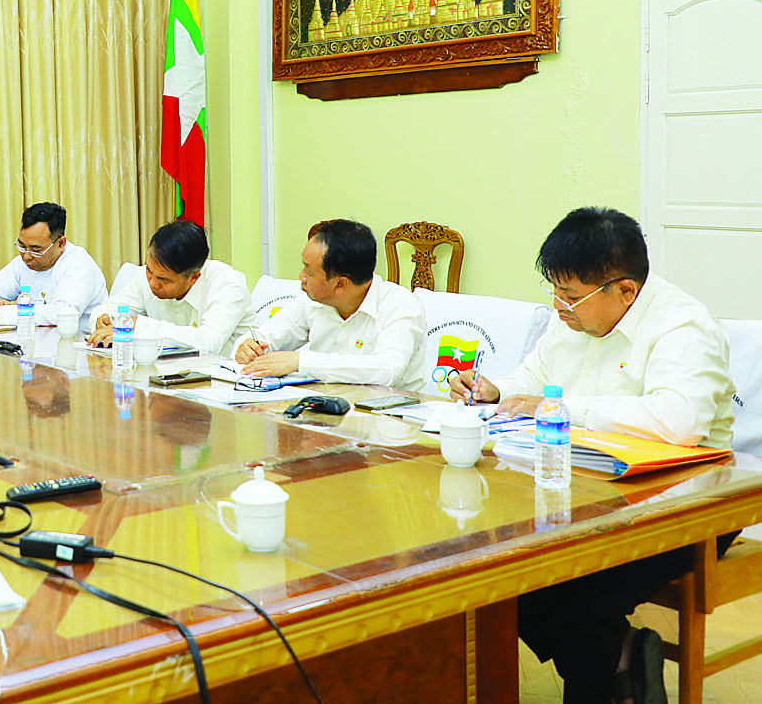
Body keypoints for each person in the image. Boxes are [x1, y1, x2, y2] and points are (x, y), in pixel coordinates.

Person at [450, 207, 735, 704]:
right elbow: (532, 379)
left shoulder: (683, 326)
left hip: (685, 504)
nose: (559, 306)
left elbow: (679, 421)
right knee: (493, 571)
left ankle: (615, 673)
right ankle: (623, 661)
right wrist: (496, 391)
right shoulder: (571, 318)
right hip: (586, 488)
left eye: (571, 296)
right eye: (554, 291)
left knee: (569, 592)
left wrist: (563, 407)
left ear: (625, 290)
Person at [234, 219, 426, 390]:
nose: (301, 276)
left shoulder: (401, 305)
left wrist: (300, 361)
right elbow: (262, 338)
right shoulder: (312, 301)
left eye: (308, 271)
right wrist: (247, 347)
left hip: (390, 414)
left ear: (340, 284)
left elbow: (387, 370)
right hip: (324, 409)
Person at [87, 220, 257, 355]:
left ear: (193, 278)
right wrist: (103, 320)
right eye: (149, 271)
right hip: (168, 376)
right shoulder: (148, 276)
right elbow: (106, 309)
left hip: (223, 381)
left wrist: (141, 326)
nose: (153, 283)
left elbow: (209, 342)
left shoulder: (227, 284)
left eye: (164, 280)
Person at [0, 202, 108, 333]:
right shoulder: (23, 263)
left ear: (61, 243)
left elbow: (62, 313)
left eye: (36, 249)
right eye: (22, 246)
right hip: (34, 344)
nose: (27, 256)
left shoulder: (79, 263)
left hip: (76, 349)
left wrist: (0, 314)